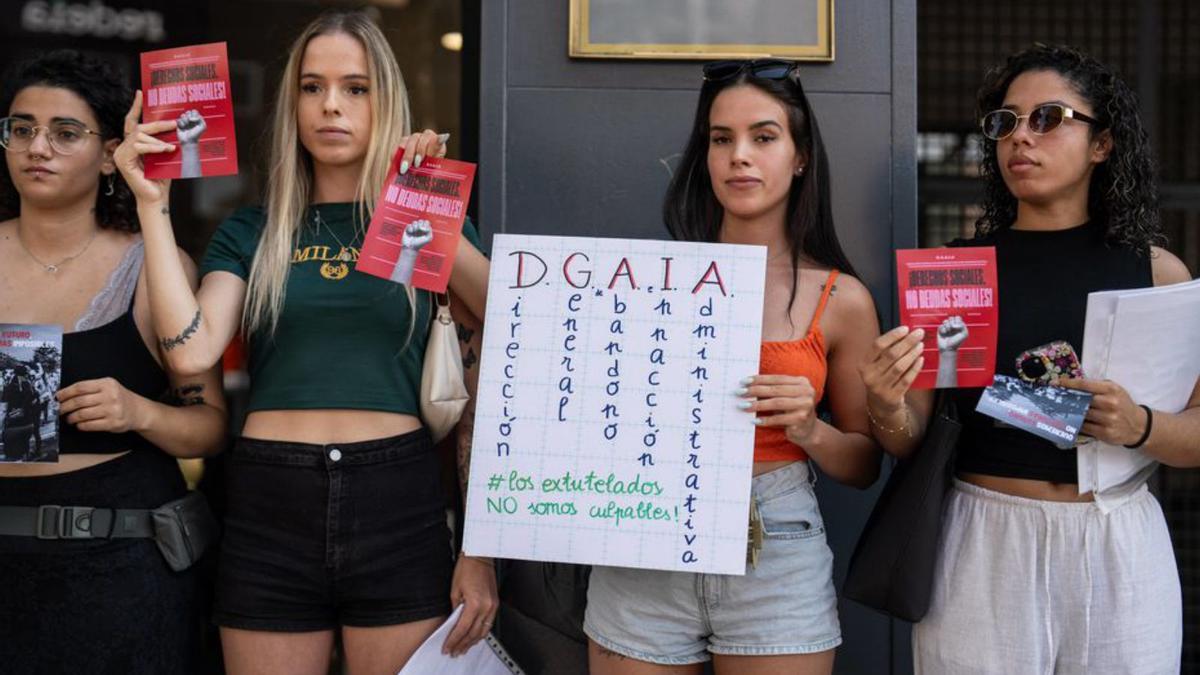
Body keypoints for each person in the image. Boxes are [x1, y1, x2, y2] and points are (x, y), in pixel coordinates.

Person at [115, 10, 496, 675]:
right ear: (292, 103)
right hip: (271, 498)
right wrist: (152, 204)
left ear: (387, 100)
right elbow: (189, 352)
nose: (331, 106)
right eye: (312, 87)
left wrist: (426, 202)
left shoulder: (416, 212)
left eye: (356, 88)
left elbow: (512, 324)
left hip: (394, 494)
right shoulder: (252, 230)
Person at [860, 43, 1200, 674]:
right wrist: (884, 403)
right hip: (983, 537)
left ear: (1103, 143)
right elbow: (910, 439)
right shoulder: (956, 270)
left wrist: (1143, 425)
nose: (1021, 137)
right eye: (1005, 122)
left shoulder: (1154, 273)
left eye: (1048, 118)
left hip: (1116, 536)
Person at [584, 59, 883, 675]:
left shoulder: (842, 299)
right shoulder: (639, 285)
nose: (739, 156)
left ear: (800, 156)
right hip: (646, 533)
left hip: (778, 545)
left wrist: (810, 429)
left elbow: (864, 464)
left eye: (763, 137)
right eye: (721, 139)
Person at [0, 50, 228, 673]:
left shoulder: (151, 265)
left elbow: (210, 426)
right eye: (21, 129)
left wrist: (137, 412)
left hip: (122, 561)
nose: (36, 147)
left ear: (109, 155)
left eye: (64, 133)